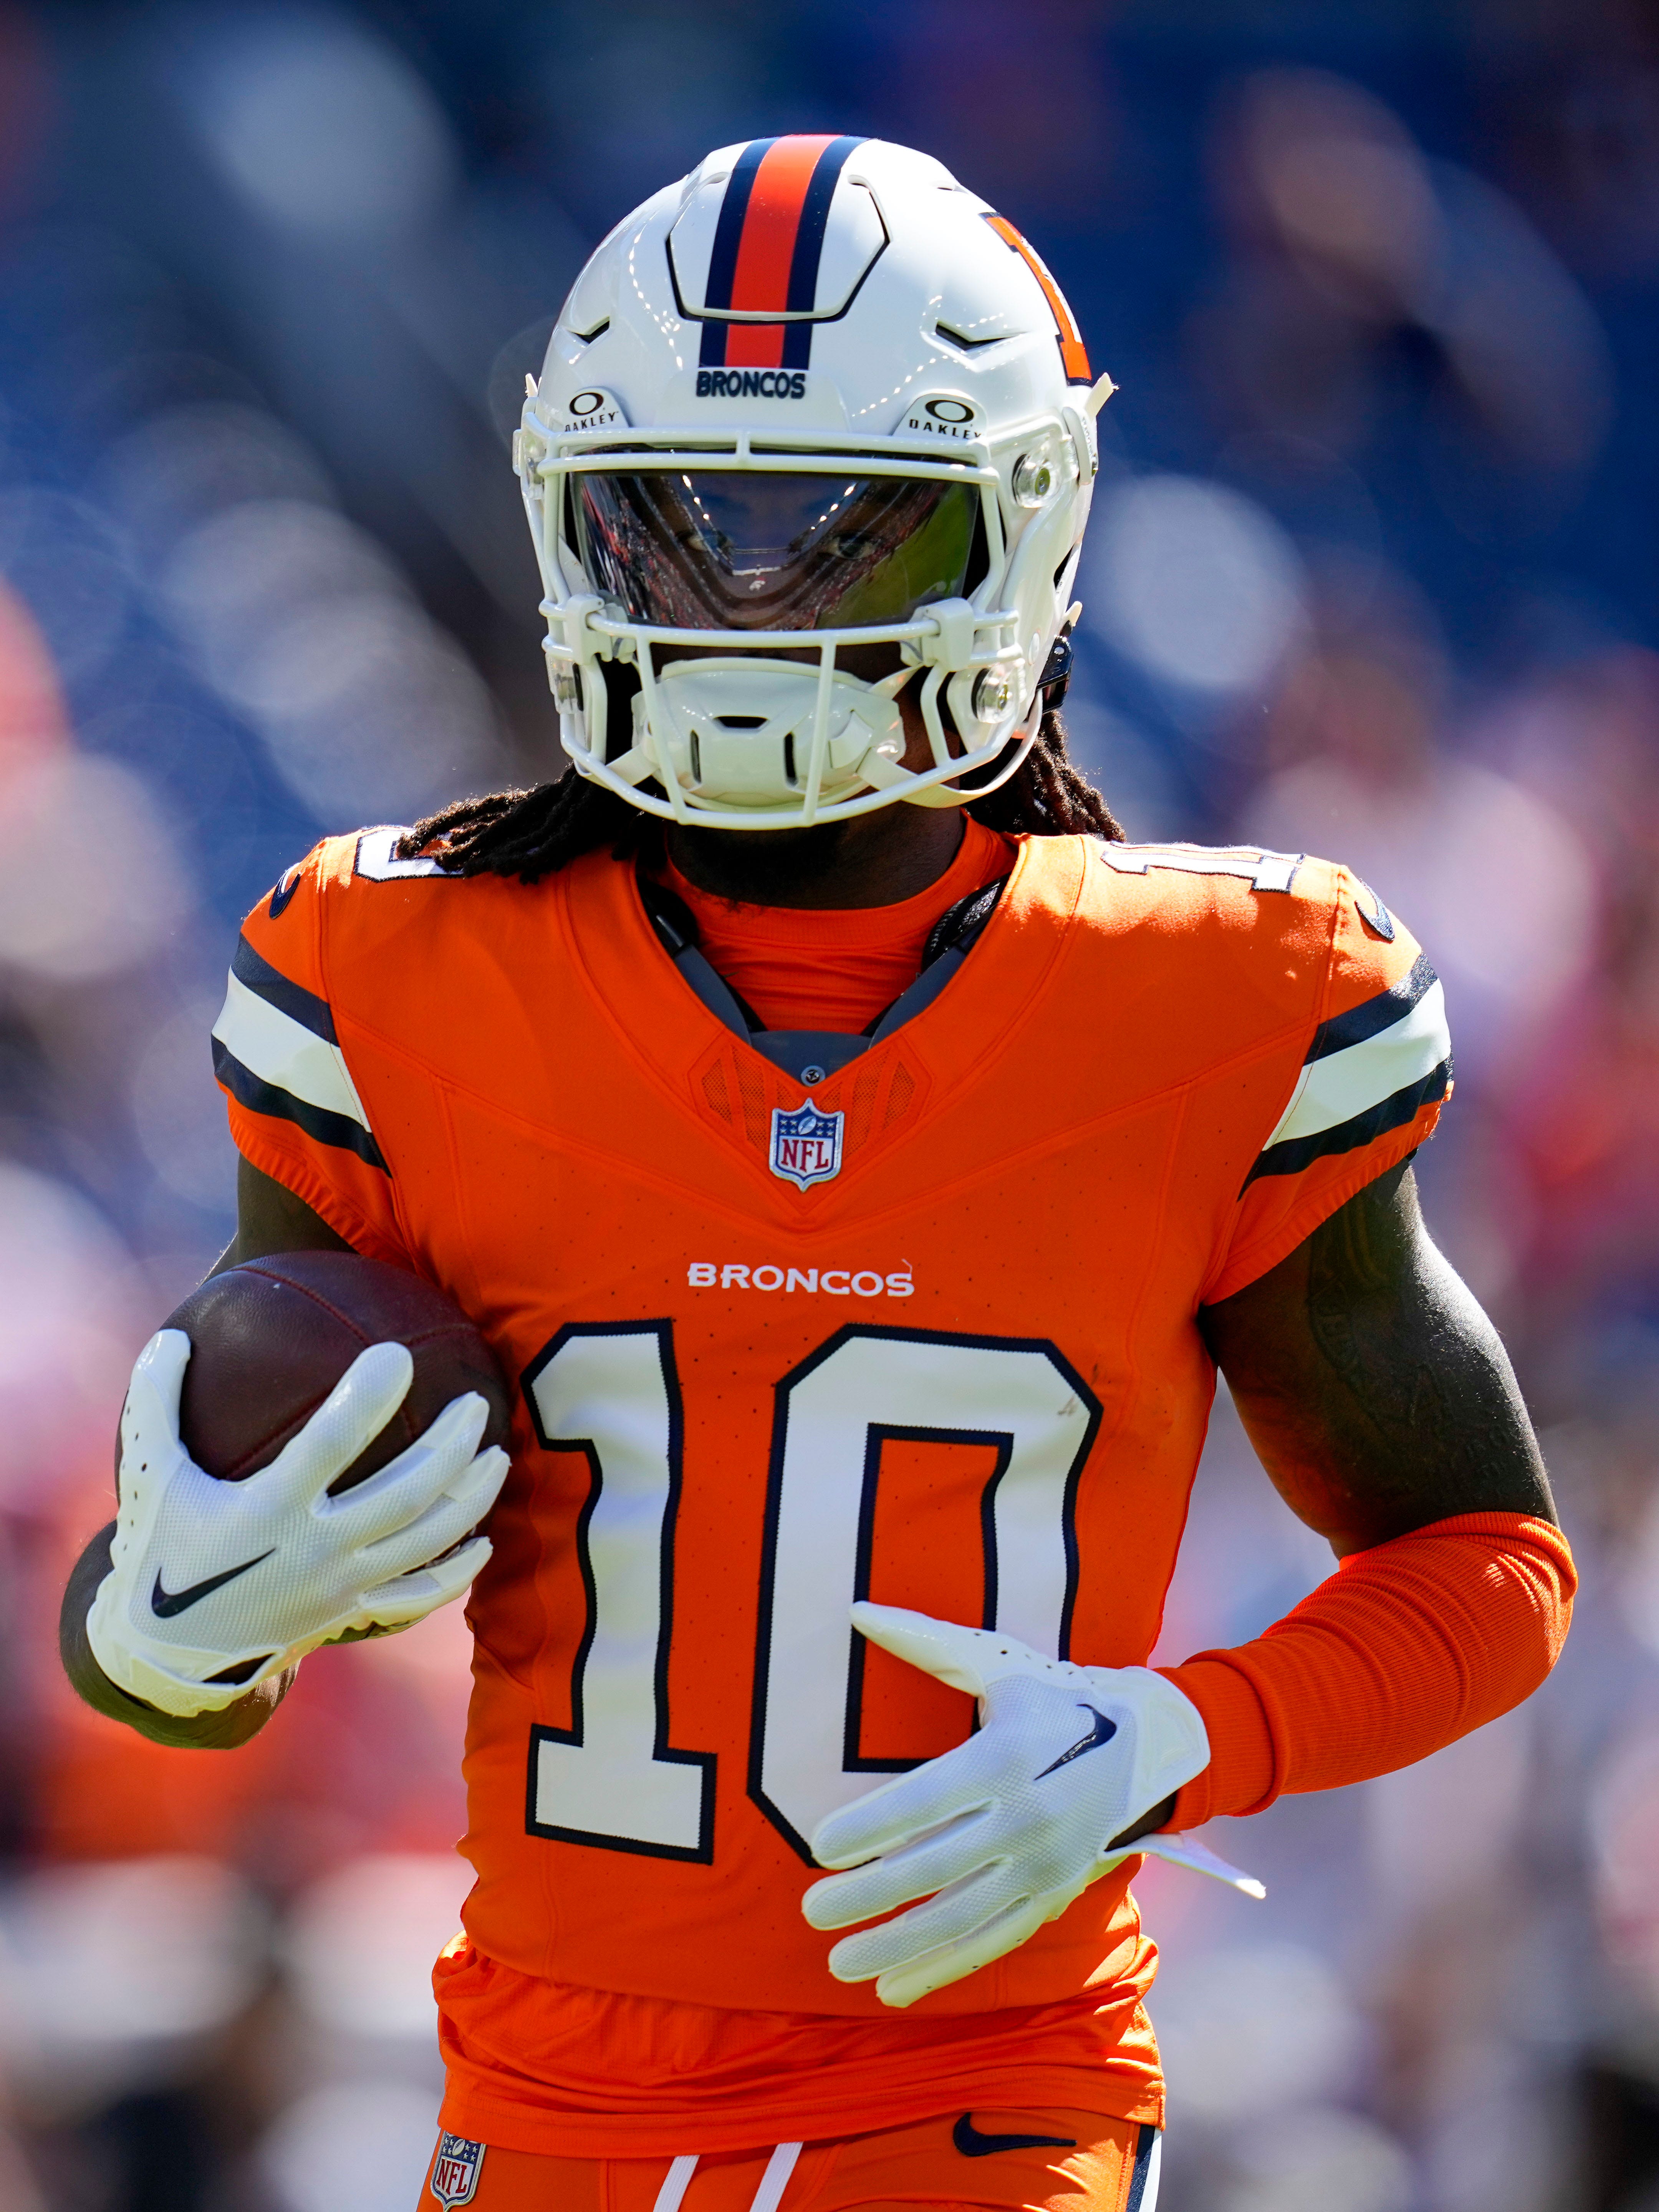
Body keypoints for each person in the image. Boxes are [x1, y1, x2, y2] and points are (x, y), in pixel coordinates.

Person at [61, 136, 1572, 2212]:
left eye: (836, 539)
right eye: (679, 530)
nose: (747, 603)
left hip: (990, 2108)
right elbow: (188, 1640)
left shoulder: (1229, 995)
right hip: (535, 2126)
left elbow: (1489, 1564)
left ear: (1021, 534)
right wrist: (168, 1629)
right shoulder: (385, 971)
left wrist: (1171, 1739)